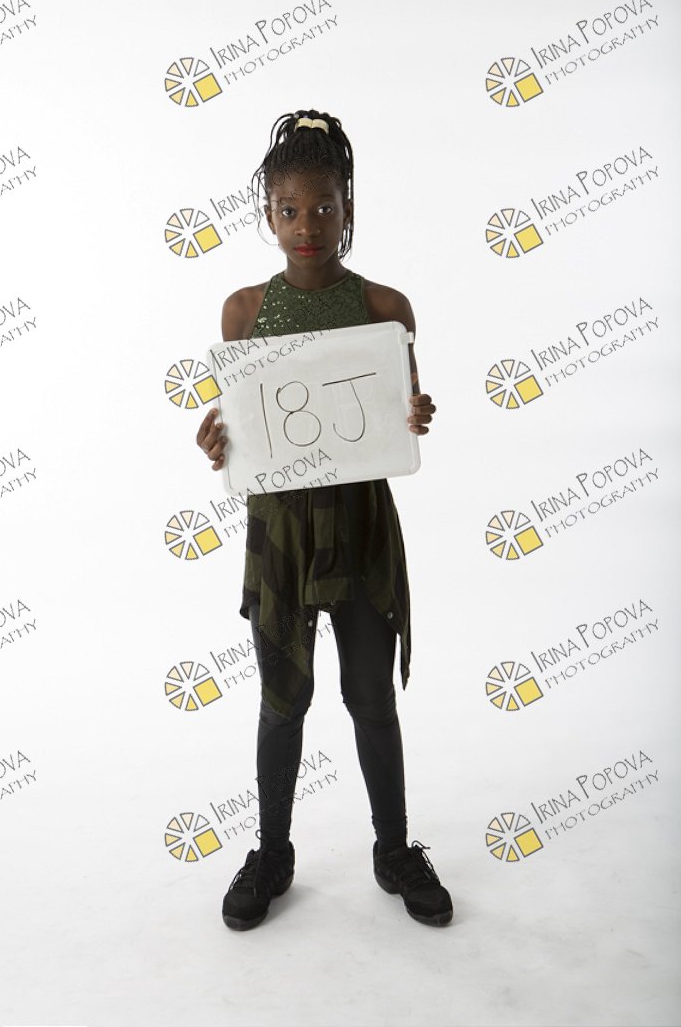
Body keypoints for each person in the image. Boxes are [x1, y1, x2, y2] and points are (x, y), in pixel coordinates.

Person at [196, 109, 453, 931]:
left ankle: (394, 848)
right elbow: (242, 423)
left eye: (324, 206)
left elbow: (396, 408)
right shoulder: (243, 311)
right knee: (283, 698)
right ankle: (272, 852)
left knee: (370, 693)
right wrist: (217, 439)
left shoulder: (383, 306)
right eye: (289, 209)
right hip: (280, 532)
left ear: (348, 206)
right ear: (267, 214)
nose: (307, 224)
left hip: (360, 521)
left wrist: (414, 411)